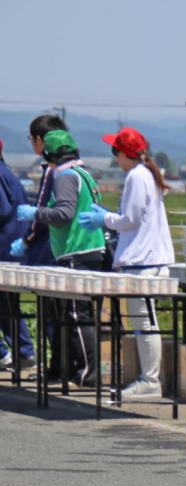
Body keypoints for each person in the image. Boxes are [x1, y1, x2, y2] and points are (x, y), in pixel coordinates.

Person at [78, 128, 175, 398]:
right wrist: (110, 215)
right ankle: (149, 378)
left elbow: (129, 220)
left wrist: (104, 219)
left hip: (142, 261)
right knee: (145, 323)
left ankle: (150, 380)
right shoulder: (147, 174)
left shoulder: (136, 176)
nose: (115, 159)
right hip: (149, 258)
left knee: (144, 324)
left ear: (122, 153)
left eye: (115, 152)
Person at [16, 129, 107, 386]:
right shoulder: (84, 173)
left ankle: (89, 372)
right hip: (89, 249)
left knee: (78, 314)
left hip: (76, 250)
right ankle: (78, 368)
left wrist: (37, 213)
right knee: (77, 314)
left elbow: (64, 213)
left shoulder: (65, 176)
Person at [0, 137, 36, 371]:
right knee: (6, 305)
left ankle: (20, 351)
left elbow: (2, 210)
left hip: (4, 247)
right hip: (11, 246)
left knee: (6, 305)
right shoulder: (6, 173)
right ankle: (21, 352)